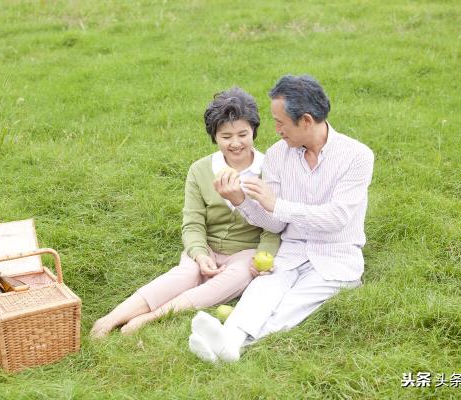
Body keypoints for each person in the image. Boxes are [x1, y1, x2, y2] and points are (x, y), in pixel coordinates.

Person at [188, 74, 375, 362]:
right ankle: (229, 339)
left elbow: (336, 218)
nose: (275, 130)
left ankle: (232, 345)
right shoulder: (277, 155)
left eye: (280, 123)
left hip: (336, 256)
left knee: (293, 303)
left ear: (306, 121)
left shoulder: (357, 156)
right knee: (262, 289)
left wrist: (277, 205)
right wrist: (241, 201)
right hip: (291, 251)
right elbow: (275, 223)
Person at [90, 87, 280, 337]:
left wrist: (263, 256)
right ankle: (110, 319)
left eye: (243, 134)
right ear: (215, 137)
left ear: (254, 130)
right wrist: (200, 254)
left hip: (245, 252)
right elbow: (193, 222)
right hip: (207, 245)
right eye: (226, 136)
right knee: (186, 274)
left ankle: (149, 318)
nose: (235, 143)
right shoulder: (200, 170)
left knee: (237, 276)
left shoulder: (271, 170)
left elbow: (273, 225)